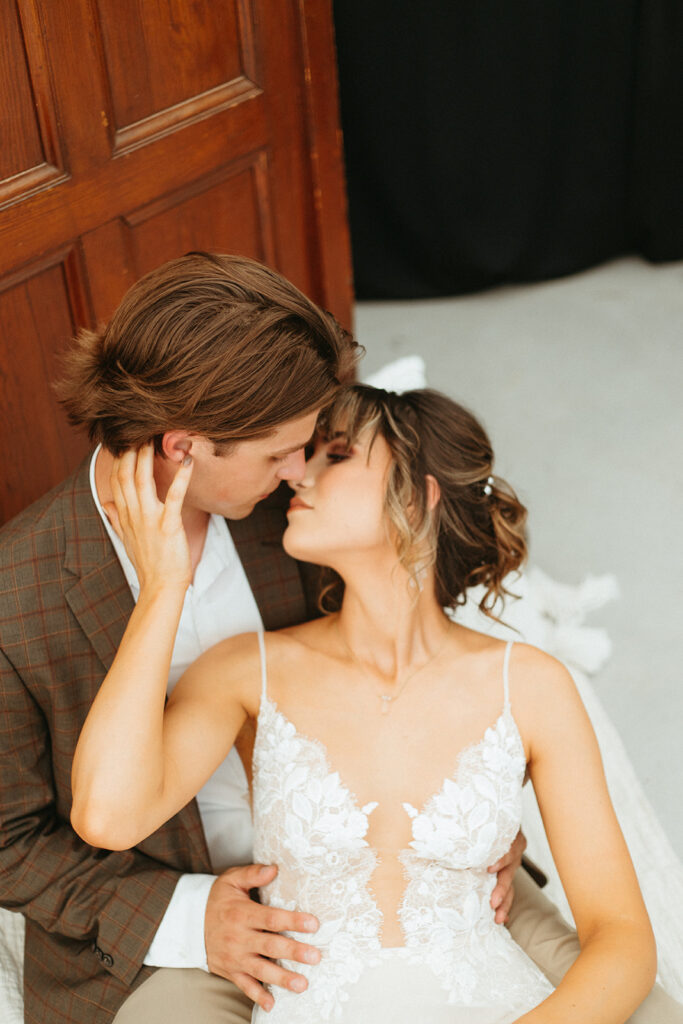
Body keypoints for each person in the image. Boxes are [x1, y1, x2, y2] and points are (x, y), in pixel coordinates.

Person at [71, 384, 659, 1023]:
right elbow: (107, 816)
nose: (300, 473)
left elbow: (621, 938)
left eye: (338, 456)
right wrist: (165, 587)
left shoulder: (533, 685)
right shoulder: (245, 670)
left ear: (417, 494)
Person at [0, 252, 359, 1024]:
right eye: (276, 454)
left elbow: (396, 646)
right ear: (182, 447)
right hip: (168, 924)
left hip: (358, 841)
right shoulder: (12, 598)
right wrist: (191, 917)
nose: (302, 470)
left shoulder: (292, 512)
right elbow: (8, 842)